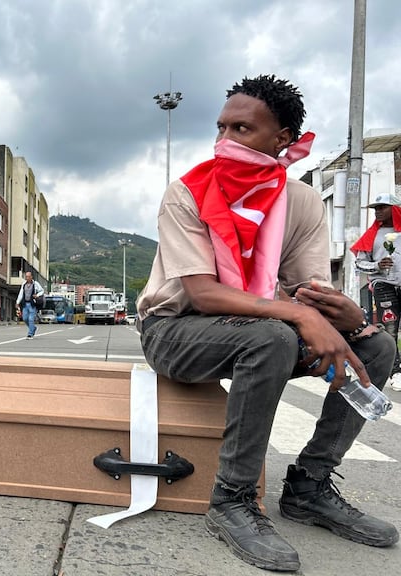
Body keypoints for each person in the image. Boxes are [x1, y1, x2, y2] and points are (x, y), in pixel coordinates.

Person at [135, 74, 398, 572]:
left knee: (376, 347)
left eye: (242, 129)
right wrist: (298, 312)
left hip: (257, 328)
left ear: (282, 140)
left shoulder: (298, 202)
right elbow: (202, 292)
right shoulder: (187, 191)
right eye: (221, 127)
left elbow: (308, 289)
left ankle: (309, 487)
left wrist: (349, 315)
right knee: (273, 336)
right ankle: (231, 501)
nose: (225, 140)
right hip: (174, 330)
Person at [351, 192, 401, 391]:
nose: (377, 212)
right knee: (389, 329)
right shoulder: (371, 235)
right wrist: (377, 266)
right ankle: (396, 372)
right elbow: (359, 263)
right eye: (375, 208)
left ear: (395, 209)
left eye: (382, 207)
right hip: (383, 284)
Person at [15, 271, 44, 339]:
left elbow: (42, 290)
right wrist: (17, 302)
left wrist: (37, 295)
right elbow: (21, 294)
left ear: (31, 277)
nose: (27, 278)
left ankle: (30, 334)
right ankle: (33, 328)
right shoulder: (24, 284)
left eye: (28, 276)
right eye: (26, 276)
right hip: (25, 304)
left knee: (31, 319)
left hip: (32, 304)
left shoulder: (35, 284)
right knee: (25, 318)